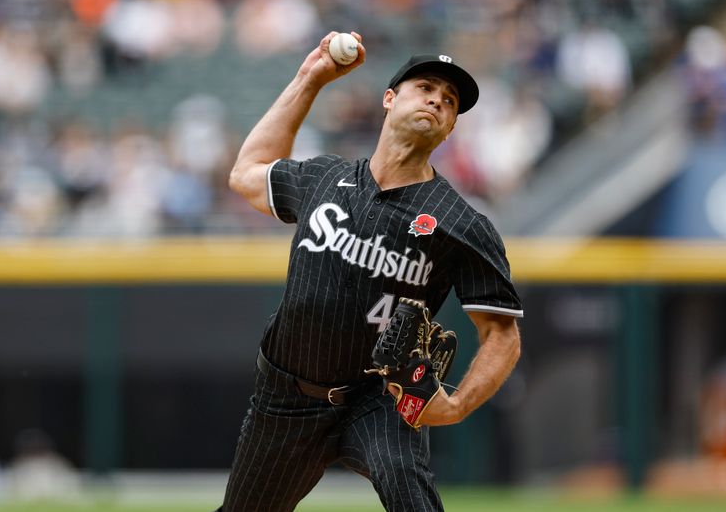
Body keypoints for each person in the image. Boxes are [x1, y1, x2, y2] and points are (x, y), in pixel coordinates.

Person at [217, 31, 523, 512]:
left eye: (449, 101)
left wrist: (458, 403)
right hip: (286, 395)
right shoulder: (323, 178)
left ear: (449, 130)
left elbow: (502, 334)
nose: (437, 101)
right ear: (389, 98)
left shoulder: (461, 223)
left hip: (378, 396)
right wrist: (310, 78)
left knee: (408, 488)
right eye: (425, 87)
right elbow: (247, 172)